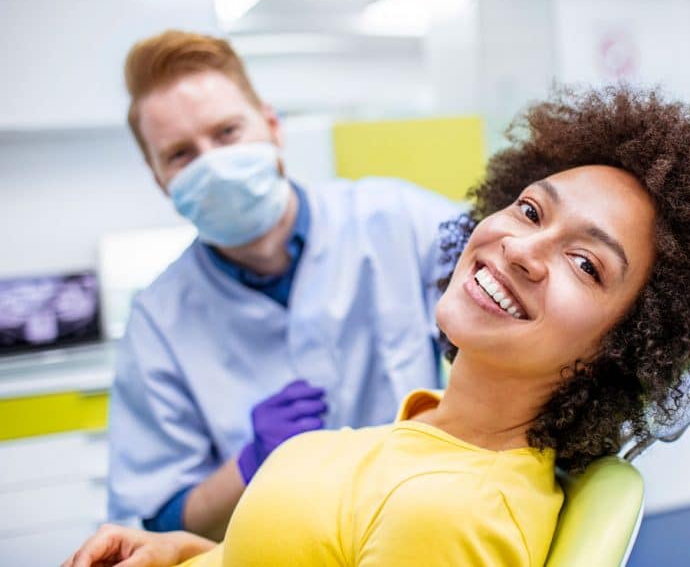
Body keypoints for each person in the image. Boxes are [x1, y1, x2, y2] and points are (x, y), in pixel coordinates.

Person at [66, 86, 690, 567]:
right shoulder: (424, 438)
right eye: (532, 211)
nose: (521, 248)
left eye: (585, 264)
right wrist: (184, 552)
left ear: (624, 347)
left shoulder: (453, 512)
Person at [106, 30, 461, 539]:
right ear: (158, 177)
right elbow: (161, 517)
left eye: (227, 133)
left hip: (423, 528)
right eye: (182, 154)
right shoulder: (158, 322)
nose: (213, 164)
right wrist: (252, 463)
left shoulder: (401, 221)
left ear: (272, 126)